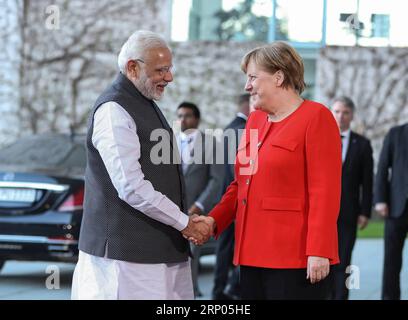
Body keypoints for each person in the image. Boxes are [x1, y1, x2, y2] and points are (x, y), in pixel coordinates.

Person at [193, 42, 342, 300]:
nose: (247, 86)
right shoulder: (255, 120)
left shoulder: (317, 117)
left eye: (252, 77)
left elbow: (325, 192)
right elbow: (240, 185)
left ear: (279, 77)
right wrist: (214, 220)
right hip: (250, 255)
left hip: (295, 258)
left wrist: (319, 250)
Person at [71, 30, 210, 300]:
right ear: (132, 67)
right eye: (161, 70)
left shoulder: (142, 101)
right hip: (126, 261)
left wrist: (185, 223)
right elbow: (131, 186)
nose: (169, 77)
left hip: (154, 255)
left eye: (169, 69)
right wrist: (186, 223)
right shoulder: (114, 110)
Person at [176, 102, 224, 297]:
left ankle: (191, 292)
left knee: (192, 256)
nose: (182, 120)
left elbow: (216, 180)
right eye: (179, 116)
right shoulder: (167, 142)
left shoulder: (213, 144)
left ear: (196, 119)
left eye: (186, 116)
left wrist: (198, 206)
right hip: (170, 210)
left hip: (197, 211)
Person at [329, 96, 373, 300]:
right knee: (321, 260)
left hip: (349, 212)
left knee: (344, 261)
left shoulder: (363, 144)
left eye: (345, 112)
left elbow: (367, 181)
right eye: (337, 111)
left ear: (352, 116)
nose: (340, 116)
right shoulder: (318, 138)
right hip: (322, 213)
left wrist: (365, 212)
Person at [212, 93, 251, 300]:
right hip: (238, 197)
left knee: (224, 247)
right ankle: (231, 288)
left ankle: (220, 290)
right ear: (247, 106)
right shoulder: (243, 130)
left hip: (226, 196)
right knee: (239, 248)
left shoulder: (229, 129)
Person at [374, 122, 408, 300]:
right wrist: (380, 199)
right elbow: (382, 167)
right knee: (391, 262)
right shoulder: (395, 134)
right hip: (396, 207)